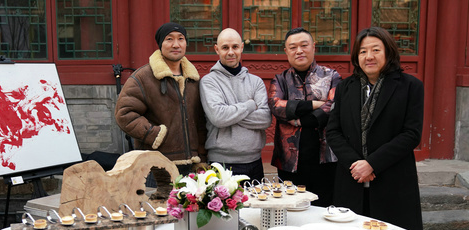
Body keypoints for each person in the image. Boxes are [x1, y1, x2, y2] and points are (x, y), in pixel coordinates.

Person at [326, 26, 424, 230]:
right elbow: (333, 131)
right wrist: (356, 164)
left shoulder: (410, 86)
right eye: (363, 51)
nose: (369, 56)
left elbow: (411, 134)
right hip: (351, 180)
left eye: (376, 50)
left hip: (392, 181)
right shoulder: (345, 87)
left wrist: (372, 164)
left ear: (388, 52)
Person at [114, 22, 207, 178]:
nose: (175, 44)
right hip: (155, 165)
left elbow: (200, 123)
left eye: (181, 39)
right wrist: (154, 134)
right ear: (160, 44)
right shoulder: (143, 77)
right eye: (169, 39)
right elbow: (124, 114)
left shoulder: (193, 79)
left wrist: (202, 158)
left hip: (190, 166)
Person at [268, 27, 341, 207]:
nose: (299, 51)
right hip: (289, 160)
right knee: (292, 209)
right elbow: (275, 105)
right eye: (293, 47)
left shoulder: (332, 76)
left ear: (313, 47)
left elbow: (334, 105)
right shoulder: (280, 79)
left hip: (326, 158)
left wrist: (299, 118)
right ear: (286, 51)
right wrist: (315, 104)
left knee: (325, 209)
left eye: (304, 45)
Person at [199, 28, 272, 182]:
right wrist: (251, 105)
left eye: (235, 47)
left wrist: (229, 112)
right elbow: (218, 117)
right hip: (221, 163)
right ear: (217, 49)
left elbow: (265, 119)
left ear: (241, 48)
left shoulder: (256, 81)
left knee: (255, 205)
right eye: (225, 48)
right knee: (225, 207)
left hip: (254, 162)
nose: (231, 52)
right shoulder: (209, 81)